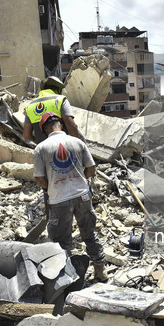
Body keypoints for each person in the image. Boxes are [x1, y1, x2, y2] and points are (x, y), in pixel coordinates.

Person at [33, 112, 107, 281]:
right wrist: (78, 182)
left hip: (59, 201)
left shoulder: (41, 148)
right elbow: (91, 168)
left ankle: (68, 279)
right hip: (82, 196)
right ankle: (100, 271)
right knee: (89, 235)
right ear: (61, 125)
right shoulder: (77, 142)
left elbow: (39, 179)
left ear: (44, 130)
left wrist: (51, 187)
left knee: (62, 243)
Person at [23, 76, 82, 144]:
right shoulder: (60, 99)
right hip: (62, 145)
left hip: (43, 147)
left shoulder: (30, 105)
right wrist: (78, 143)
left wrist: (39, 142)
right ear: (58, 89)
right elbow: (71, 125)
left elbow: (26, 135)